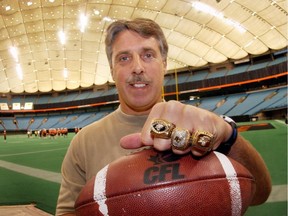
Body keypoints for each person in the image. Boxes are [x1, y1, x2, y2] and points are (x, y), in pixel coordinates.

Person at [56, 18, 271, 215]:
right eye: (124, 58)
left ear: (164, 64)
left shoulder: (199, 127)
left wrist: (229, 136)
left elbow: (259, 194)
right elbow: (67, 211)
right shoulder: (84, 141)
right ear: (112, 70)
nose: (137, 67)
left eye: (148, 55)